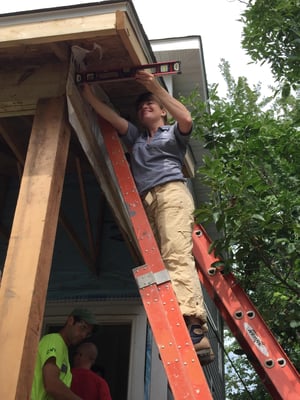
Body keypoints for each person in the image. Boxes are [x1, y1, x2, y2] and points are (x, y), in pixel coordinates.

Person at [82, 70, 214, 365]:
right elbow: (111, 117)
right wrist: (88, 95)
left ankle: (193, 324)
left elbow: (187, 119)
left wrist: (154, 86)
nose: (145, 106)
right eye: (141, 106)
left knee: (176, 255)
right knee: (161, 264)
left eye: (151, 104)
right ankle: (180, 320)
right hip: (147, 202)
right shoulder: (136, 138)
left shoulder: (172, 134)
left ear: (163, 111)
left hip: (171, 194)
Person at [31, 308, 98, 400]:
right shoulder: (54, 340)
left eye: (87, 334)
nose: (83, 335)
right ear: (71, 320)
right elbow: (51, 384)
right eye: (83, 327)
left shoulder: (64, 351)